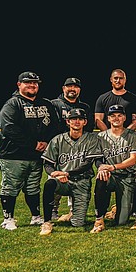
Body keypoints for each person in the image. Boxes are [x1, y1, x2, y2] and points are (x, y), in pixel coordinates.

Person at [0, 71, 60, 230]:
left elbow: (55, 126)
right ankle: (8, 219)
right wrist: (32, 144)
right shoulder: (13, 104)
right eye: (28, 82)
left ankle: (36, 216)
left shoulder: (46, 103)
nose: (32, 85)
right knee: (10, 187)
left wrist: (46, 142)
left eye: (35, 83)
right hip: (14, 155)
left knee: (33, 187)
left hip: (37, 156)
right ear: (19, 84)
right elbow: (8, 128)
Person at [39, 108, 103, 235]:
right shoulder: (58, 139)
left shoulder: (91, 138)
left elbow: (87, 164)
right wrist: (53, 173)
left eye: (80, 119)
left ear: (85, 122)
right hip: (63, 181)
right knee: (50, 184)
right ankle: (46, 222)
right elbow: (48, 164)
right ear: (68, 122)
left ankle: (72, 214)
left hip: (82, 182)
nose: (77, 122)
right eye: (73, 119)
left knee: (78, 223)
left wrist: (66, 173)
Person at [48, 77, 94, 222]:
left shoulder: (84, 107)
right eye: (69, 86)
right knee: (55, 178)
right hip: (59, 149)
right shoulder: (54, 104)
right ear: (63, 88)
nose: (72, 89)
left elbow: (90, 128)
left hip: (78, 148)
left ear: (79, 90)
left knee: (76, 178)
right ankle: (53, 210)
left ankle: (73, 210)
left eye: (75, 86)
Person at [91, 105, 136, 233]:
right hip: (110, 176)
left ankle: (116, 210)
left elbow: (132, 160)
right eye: (113, 116)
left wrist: (112, 166)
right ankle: (99, 217)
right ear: (108, 118)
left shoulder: (132, 135)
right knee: (101, 178)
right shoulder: (101, 136)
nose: (116, 118)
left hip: (127, 177)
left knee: (121, 221)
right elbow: (97, 159)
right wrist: (101, 168)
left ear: (124, 118)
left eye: (119, 115)